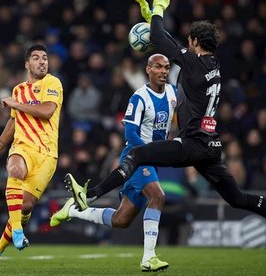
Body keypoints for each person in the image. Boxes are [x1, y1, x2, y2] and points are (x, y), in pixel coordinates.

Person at [65, 0, 266, 254]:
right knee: (238, 198)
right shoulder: (213, 64)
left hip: (192, 143)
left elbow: (162, 42)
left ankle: (89, 195)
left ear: (195, 42)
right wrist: (153, 21)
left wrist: (158, 11)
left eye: (189, 41)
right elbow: (169, 43)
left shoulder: (194, 63)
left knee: (136, 154)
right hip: (210, 146)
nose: (187, 45)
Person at [50, 54, 176, 272]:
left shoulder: (173, 93)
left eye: (166, 67)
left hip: (152, 161)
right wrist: (151, 151)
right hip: (137, 157)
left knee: (121, 219)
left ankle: (73, 210)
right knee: (158, 196)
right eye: (158, 67)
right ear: (148, 69)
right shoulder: (139, 97)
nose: (163, 71)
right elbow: (130, 132)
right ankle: (149, 257)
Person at [0, 44, 63, 271]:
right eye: (36, 58)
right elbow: (14, 122)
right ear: (27, 64)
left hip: (47, 154)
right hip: (23, 147)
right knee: (15, 169)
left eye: (45, 58)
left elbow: (46, 112)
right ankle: (17, 231)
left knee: (25, 206)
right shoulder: (18, 90)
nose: (42, 61)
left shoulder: (52, 83)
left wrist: (15, 104)